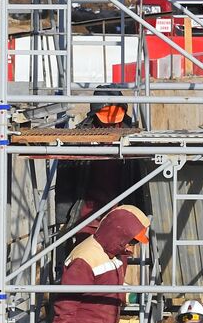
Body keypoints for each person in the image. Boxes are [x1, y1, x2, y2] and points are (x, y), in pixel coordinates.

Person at [54, 88, 147, 240]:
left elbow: (141, 183)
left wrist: (140, 217)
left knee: (115, 261)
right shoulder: (78, 139)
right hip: (86, 217)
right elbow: (65, 183)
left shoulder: (133, 138)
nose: (110, 123)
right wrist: (63, 218)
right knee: (86, 259)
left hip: (119, 216)